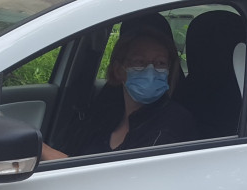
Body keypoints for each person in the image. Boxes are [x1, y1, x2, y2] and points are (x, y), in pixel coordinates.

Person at [42, 27, 196, 160]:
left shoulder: (174, 122)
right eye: (139, 62)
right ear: (118, 70)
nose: (150, 71)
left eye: (160, 63)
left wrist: (41, 150)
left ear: (169, 71)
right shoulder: (107, 113)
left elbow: (114, 177)